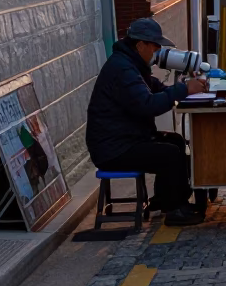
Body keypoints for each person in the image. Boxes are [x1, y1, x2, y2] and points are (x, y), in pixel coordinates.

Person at [86, 18, 208, 226]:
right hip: (113, 149)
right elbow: (147, 104)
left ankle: (164, 199)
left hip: (125, 139)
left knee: (176, 142)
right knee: (169, 154)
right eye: (155, 46)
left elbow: (153, 87)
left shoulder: (130, 64)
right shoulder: (123, 69)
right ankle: (175, 210)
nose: (158, 51)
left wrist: (183, 87)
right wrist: (183, 90)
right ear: (141, 45)